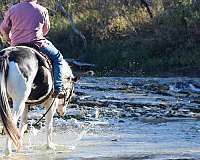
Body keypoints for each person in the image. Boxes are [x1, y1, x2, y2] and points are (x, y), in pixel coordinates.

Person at [0, 0, 65, 98]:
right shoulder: (42, 10)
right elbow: (45, 30)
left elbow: (4, 29)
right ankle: (57, 89)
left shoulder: (13, 9)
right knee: (58, 58)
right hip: (37, 44)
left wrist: (8, 38)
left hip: (16, 44)